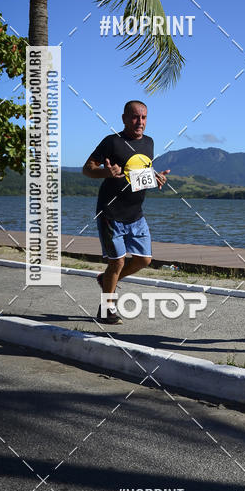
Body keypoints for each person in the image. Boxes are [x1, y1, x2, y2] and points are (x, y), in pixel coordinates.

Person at [82, 100, 169, 324]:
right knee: (117, 262)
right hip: (111, 213)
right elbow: (87, 169)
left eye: (144, 117)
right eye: (134, 117)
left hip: (136, 213)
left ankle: (106, 279)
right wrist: (106, 173)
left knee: (144, 260)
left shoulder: (149, 142)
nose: (139, 122)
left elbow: (140, 171)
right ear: (123, 118)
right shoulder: (112, 142)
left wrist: (156, 177)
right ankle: (106, 309)